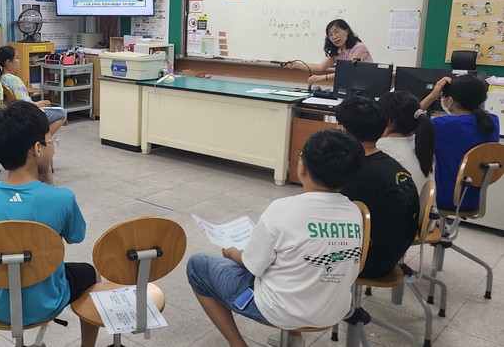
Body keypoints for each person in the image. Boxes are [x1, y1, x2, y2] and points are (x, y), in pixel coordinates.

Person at [186, 129, 365, 347]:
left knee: (198, 265)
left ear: (302, 167)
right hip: (333, 311)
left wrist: (232, 252)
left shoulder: (282, 209)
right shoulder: (354, 212)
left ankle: (237, 344)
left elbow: (252, 265)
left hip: (280, 311)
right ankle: (294, 337)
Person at [0, 101, 99, 347]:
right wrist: (51, 185)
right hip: (44, 303)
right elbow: (76, 236)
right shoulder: (62, 198)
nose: (52, 146)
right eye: (50, 140)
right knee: (92, 273)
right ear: (38, 148)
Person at [335, 96, 420, 280]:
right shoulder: (388, 164)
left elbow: (333, 219)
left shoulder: (359, 173)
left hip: (369, 261)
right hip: (392, 254)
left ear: (343, 130)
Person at [419, 75, 500, 212]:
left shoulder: (442, 125)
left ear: (450, 100)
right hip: (473, 199)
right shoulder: (493, 121)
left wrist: (433, 95)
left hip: (444, 198)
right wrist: (469, 84)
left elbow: (406, 120)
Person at [0, 45, 67, 136]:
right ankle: (43, 139)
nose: (19, 60)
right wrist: (39, 103)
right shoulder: (14, 80)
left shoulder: (0, 78)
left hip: (14, 113)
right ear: (8, 62)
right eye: (17, 57)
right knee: (62, 113)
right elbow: (24, 105)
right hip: (25, 115)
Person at [376, 90, 435, 194]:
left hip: (401, 203)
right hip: (422, 203)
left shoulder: (380, 148)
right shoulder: (422, 142)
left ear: (389, 121)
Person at [287, 19, 373, 85]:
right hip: (349, 87)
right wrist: (297, 65)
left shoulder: (359, 47)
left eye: (337, 32)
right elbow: (320, 67)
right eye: (330, 35)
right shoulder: (337, 51)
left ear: (347, 31)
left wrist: (323, 78)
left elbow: (349, 70)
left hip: (366, 86)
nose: (334, 37)